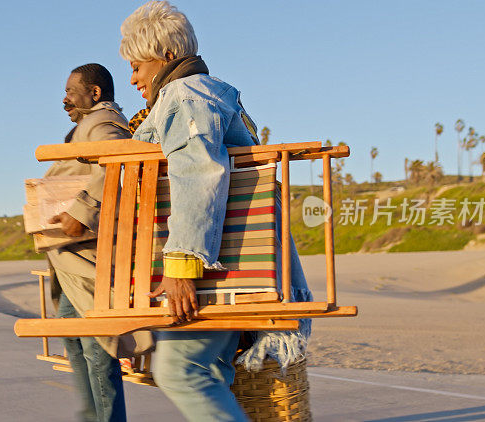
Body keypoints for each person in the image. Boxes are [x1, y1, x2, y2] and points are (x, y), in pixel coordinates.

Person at [120, 2, 313, 421]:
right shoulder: (210, 94)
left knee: (182, 371)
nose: (133, 78)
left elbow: (198, 174)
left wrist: (182, 267)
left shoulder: (185, 97)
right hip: (235, 267)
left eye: (137, 65)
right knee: (200, 370)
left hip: (221, 271)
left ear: (167, 57)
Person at [44, 63, 130, 422]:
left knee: (96, 348)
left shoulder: (104, 123)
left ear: (94, 93)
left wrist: (83, 211)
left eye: (70, 91)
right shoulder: (86, 126)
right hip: (71, 259)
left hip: (89, 256)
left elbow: (118, 164)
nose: (64, 99)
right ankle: (92, 417)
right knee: (75, 339)